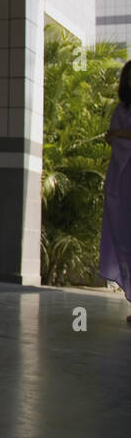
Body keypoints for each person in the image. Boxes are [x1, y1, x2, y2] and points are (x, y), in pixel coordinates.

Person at [99, 60, 131, 322]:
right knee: (124, 238)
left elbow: (118, 134)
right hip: (121, 181)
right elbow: (113, 138)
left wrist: (120, 133)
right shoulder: (120, 109)